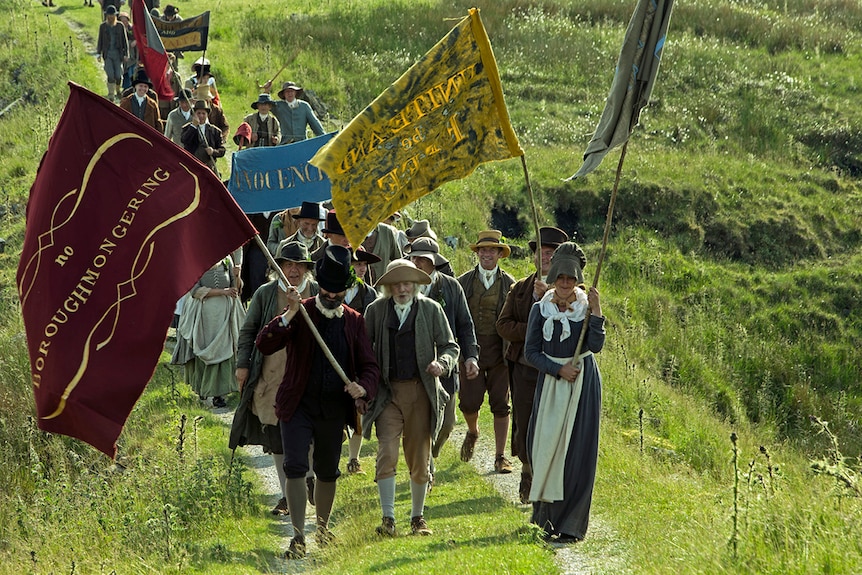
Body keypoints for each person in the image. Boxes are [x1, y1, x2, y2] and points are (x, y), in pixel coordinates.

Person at [256, 245, 379, 559]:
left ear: (346, 291)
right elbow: (265, 343)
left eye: (338, 293)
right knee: (295, 467)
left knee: (326, 471)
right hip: (297, 405)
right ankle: (298, 537)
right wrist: (290, 313)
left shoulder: (354, 321)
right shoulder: (302, 312)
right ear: (319, 284)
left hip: (333, 409)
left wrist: (362, 387)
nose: (331, 296)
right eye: (327, 290)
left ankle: (323, 530)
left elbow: (369, 367)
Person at [363, 259, 459, 537]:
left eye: (407, 283)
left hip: (421, 391)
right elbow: (362, 348)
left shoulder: (431, 310)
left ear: (415, 286)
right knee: (387, 453)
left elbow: (451, 346)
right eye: (396, 284)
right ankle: (388, 519)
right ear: (388, 287)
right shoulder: (376, 311)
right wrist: (362, 382)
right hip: (387, 394)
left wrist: (441, 364)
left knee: (419, 457)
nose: (402, 289)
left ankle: (418, 518)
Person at [229, 241, 318, 516]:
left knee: (313, 434)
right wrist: (243, 365)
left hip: (310, 378)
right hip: (272, 376)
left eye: (299, 265)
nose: (293, 270)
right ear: (278, 267)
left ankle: (310, 478)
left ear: (306, 269)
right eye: (288, 265)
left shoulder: (316, 293)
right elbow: (248, 331)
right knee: (278, 439)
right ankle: (286, 496)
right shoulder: (265, 294)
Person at [524, 242, 604, 543]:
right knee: (543, 450)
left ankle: (571, 525)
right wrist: (557, 369)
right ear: (554, 278)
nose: (566, 284)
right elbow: (530, 352)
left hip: (582, 386)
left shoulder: (585, 310)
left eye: (571, 279)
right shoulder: (539, 310)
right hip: (552, 384)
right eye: (561, 279)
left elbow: (595, 346)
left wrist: (596, 312)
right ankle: (543, 521)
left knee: (577, 454)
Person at [496, 226, 569, 503]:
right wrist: (533, 323)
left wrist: (551, 294)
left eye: (552, 253)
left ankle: (549, 481)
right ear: (535, 257)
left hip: (558, 371)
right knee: (525, 422)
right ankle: (527, 470)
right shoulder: (520, 289)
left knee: (554, 426)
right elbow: (503, 325)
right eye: (542, 252)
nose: (546, 257)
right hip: (525, 368)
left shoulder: (573, 291)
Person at [405, 238, 479, 485]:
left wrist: (471, 357)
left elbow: (465, 325)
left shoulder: (451, 287)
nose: (417, 263)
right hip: (414, 367)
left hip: (445, 366)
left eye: (423, 259)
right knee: (421, 421)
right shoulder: (404, 286)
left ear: (434, 263)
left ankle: (431, 454)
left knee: (447, 423)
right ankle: (427, 465)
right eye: (414, 258)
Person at [457, 230, 516, 474]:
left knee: (501, 404)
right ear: (477, 253)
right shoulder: (463, 282)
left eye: (492, 250)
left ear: (500, 254)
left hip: (501, 352)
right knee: (469, 403)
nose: (487, 254)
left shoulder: (512, 284)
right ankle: (473, 431)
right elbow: (457, 315)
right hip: (471, 349)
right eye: (483, 250)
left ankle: (500, 456)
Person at [171, 255, 245, 408]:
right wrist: (222, 292)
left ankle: (220, 394)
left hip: (225, 315)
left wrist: (237, 275)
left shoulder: (227, 260)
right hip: (203, 315)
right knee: (204, 349)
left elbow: (235, 288)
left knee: (224, 352)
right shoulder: (195, 261)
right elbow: (195, 291)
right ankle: (203, 389)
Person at [342, 246, 380, 475]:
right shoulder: (331, 290)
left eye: (364, 264)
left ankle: (353, 459)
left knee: (359, 409)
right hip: (335, 357)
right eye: (357, 264)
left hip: (360, 359)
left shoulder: (370, 295)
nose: (362, 268)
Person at [262, 80, 325, 144]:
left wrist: (325, 139)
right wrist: (267, 91)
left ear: (295, 92)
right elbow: (265, 103)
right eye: (287, 91)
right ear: (283, 94)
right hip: (285, 144)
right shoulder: (278, 106)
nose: (290, 93)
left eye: (292, 91)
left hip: (302, 143)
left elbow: (315, 124)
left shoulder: (304, 106)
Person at [181, 99, 226, 177]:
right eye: (198, 113)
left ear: (207, 115)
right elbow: (184, 140)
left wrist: (213, 151)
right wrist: (193, 127)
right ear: (194, 114)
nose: (201, 116)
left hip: (209, 168)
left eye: (203, 113)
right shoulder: (187, 128)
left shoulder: (215, 131)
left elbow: (222, 150)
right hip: (192, 168)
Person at [95, 5, 129, 102]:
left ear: (115, 16)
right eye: (109, 15)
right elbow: (100, 40)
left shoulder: (120, 26)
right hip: (108, 54)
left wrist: (126, 54)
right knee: (110, 74)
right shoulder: (103, 27)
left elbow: (125, 41)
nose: (110, 17)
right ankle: (111, 95)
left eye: (112, 15)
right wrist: (98, 53)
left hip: (118, 54)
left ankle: (118, 90)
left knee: (118, 75)